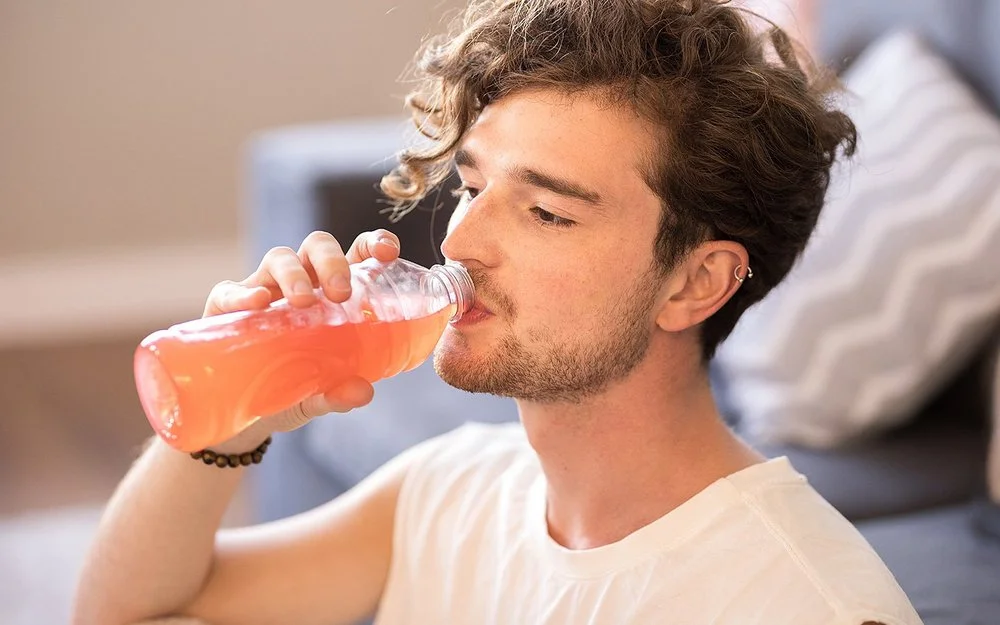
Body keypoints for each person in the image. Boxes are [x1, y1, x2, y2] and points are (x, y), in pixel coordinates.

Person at [74, 1, 922, 624]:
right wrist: (232, 418)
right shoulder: (451, 488)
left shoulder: (803, 602)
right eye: (473, 185)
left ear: (695, 283)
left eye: (546, 212)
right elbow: (126, 611)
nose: (460, 239)